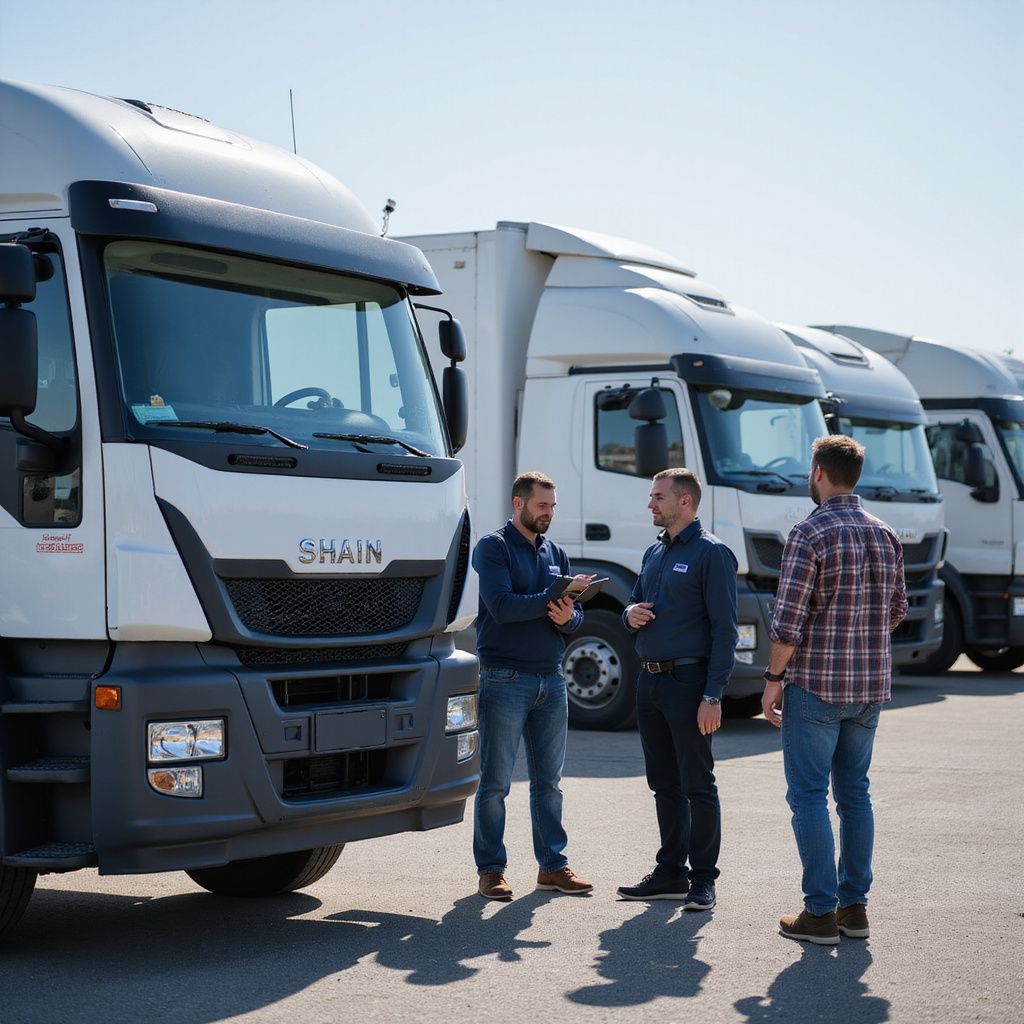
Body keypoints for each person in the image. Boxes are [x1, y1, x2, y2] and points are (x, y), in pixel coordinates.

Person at [762, 435, 908, 945]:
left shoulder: (809, 532)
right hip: (869, 688)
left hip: (816, 686)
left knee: (808, 796)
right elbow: (897, 610)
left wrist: (773, 681)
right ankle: (854, 909)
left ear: (819, 473)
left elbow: (787, 622)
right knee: (855, 795)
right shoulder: (886, 533)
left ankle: (819, 913)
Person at [617, 468, 738, 910]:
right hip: (649, 680)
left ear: (684, 501)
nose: (650, 503)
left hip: (689, 683)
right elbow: (632, 602)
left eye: (658, 497)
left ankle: (703, 879)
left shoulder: (712, 553)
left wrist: (712, 695)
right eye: (651, 496)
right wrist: (629, 614)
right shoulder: (654, 551)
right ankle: (671, 872)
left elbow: (726, 631)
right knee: (663, 783)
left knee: (697, 784)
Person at [471, 471, 594, 901]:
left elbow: (573, 618)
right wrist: (551, 602)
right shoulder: (493, 547)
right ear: (518, 503)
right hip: (504, 677)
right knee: (495, 783)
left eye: (553, 506)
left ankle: (553, 867)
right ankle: (491, 870)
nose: (549, 513)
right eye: (542, 505)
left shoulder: (555, 552)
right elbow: (501, 607)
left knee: (550, 784)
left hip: (551, 678)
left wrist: (569, 616)